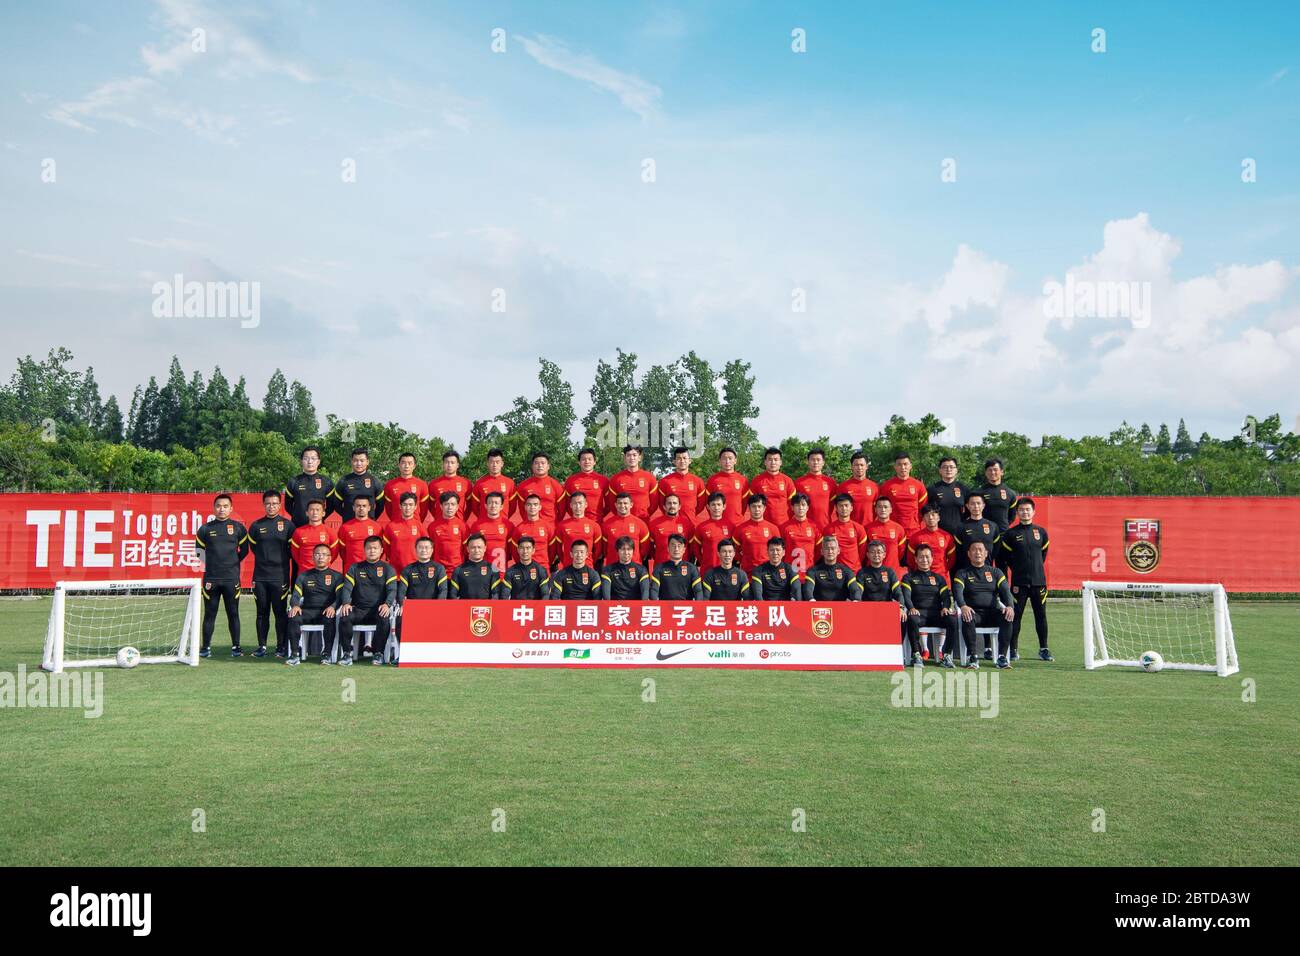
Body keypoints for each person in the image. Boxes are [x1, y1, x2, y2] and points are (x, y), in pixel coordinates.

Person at [998, 497, 1053, 662]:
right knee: (1015, 616)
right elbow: (1002, 560)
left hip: (1039, 583)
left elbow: (1042, 555)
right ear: (1017, 512)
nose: (1025, 512)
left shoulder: (1041, 532)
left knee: (1041, 616)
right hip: (1018, 584)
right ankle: (1013, 650)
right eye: (1021, 510)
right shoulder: (1010, 534)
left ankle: (1044, 649)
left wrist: (1033, 570)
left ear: (1033, 511)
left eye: (1028, 509)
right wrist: (1006, 582)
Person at [196, 493, 250, 658]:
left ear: (231, 508)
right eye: (219, 506)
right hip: (211, 579)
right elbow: (199, 552)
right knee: (209, 613)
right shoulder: (205, 529)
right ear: (214, 508)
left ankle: (236, 647)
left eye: (225, 506)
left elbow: (245, 551)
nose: (222, 509)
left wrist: (232, 563)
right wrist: (213, 564)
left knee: (233, 613)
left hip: (231, 579)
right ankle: (205, 648)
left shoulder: (238, 528)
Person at [951, 541, 1015, 669]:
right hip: (974, 613)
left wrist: (1009, 606)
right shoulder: (962, 573)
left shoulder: (996, 572)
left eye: (980, 550)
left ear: (986, 554)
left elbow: (1006, 592)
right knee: (967, 616)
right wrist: (963, 606)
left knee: (1007, 616)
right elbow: (958, 593)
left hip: (992, 612)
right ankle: (973, 657)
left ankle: (1002, 657)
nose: (977, 552)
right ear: (969, 554)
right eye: (974, 550)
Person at [247, 489, 295, 658]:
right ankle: (262, 646)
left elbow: (292, 551)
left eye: (274, 503)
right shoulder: (256, 526)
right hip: (260, 577)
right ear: (264, 505)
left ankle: (281, 646)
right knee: (261, 612)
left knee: (280, 612)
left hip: (280, 576)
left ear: (280, 505)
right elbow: (253, 548)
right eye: (268, 504)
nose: (271, 506)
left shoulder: (288, 525)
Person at [336, 536, 398, 666]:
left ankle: (378, 653)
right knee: (345, 615)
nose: (372, 551)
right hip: (359, 609)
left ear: (381, 550)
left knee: (384, 616)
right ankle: (347, 653)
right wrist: (346, 603)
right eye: (369, 548)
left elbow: (392, 590)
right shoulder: (355, 568)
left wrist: (387, 604)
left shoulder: (388, 569)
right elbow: (347, 588)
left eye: (375, 548)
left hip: (378, 610)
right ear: (364, 550)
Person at [285, 544, 341, 666]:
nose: (320, 557)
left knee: (330, 617)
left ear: (329, 558)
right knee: (293, 616)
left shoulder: (337, 576)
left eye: (324, 554)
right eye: (317, 554)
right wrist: (295, 605)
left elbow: (340, 597)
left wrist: (333, 606)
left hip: (326, 611)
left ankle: (326, 653)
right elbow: (295, 595)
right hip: (308, 610)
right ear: (313, 557)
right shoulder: (304, 576)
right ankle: (294, 654)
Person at [901, 544, 956, 668]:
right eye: (921, 557)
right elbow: (906, 596)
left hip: (936, 614)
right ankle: (916, 654)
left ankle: (946, 655)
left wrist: (946, 607)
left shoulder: (939, 578)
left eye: (927, 557)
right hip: (919, 613)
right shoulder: (908, 577)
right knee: (912, 618)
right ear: (915, 559)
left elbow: (946, 597)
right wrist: (911, 608)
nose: (924, 560)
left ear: (932, 559)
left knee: (952, 619)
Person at [857, 541, 909, 654]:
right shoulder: (862, 572)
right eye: (873, 552)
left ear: (884, 554)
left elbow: (898, 592)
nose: (876, 555)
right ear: (867, 555)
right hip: (867, 610)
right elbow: (858, 592)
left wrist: (900, 607)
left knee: (903, 618)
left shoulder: (889, 572)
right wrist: (857, 605)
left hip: (886, 610)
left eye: (879, 552)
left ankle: (897, 652)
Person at [284, 445, 335, 526]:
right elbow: (287, 506)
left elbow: (331, 506)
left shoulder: (327, 482)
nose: (310, 461)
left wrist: (318, 518)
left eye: (313, 458)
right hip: (297, 527)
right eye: (306, 458)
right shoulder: (293, 482)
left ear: (318, 462)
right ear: (301, 461)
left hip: (319, 527)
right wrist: (298, 517)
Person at [879, 451, 927, 535]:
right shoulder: (887, 486)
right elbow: (881, 508)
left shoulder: (919, 486)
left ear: (910, 466)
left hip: (914, 530)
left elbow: (923, 509)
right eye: (899, 464)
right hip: (893, 531)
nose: (903, 467)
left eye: (905, 464)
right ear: (895, 467)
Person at [605, 444, 656, 521]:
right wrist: (622, 516)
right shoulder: (616, 479)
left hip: (643, 521)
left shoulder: (649, 477)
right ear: (624, 458)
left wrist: (644, 515)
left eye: (634, 455)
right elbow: (612, 504)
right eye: (628, 455)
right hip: (622, 521)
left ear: (639, 457)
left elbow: (654, 504)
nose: (632, 458)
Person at [554, 492, 604, 571]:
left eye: (580, 503)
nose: (578, 507)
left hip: (588, 568)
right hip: (568, 568)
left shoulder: (594, 526)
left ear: (586, 504)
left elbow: (598, 549)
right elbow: (558, 549)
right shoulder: (562, 526)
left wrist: (590, 561)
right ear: (570, 505)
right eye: (575, 503)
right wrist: (565, 561)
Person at [905, 503, 956, 579]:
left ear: (938, 517)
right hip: (921, 578)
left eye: (933, 514)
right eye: (927, 515)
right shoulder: (915, 537)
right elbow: (910, 560)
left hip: (942, 577)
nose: (930, 518)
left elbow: (952, 559)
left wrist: (943, 570)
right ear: (923, 519)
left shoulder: (947, 537)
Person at [330, 447, 383, 519]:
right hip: (349, 525)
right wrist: (347, 516)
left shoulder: (375, 481)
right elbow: (336, 505)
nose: (358, 463)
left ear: (367, 462)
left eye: (362, 460)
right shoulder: (343, 481)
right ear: (351, 461)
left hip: (368, 526)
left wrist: (371, 518)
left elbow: (380, 506)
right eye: (355, 460)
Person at [749, 447, 796, 527]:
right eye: (770, 459)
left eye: (776, 459)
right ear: (765, 462)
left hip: (783, 525)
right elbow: (751, 504)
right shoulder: (757, 481)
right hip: (763, 525)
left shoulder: (787, 481)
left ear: (780, 462)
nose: (773, 462)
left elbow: (793, 505)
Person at [690, 492, 735, 574]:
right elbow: (696, 549)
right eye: (713, 505)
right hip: (708, 570)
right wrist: (704, 561)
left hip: (727, 571)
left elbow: (735, 548)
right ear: (708, 507)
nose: (716, 507)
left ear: (724, 506)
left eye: (719, 504)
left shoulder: (731, 526)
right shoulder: (701, 527)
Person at [381, 492, 425, 577]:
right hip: (396, 572)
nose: (407, 508)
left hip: (416, 571)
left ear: (415, 507)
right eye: (404, 504)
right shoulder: (391, 526)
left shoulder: (420, 526)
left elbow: (426, 547)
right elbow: (386, 548)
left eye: (410, 505)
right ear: (400, 506)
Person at [514, 452, 565, 524]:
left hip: (551, 528)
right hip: (531, 527)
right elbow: (522, 510)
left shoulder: (556, 485)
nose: (540, 465)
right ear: (532, 466)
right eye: (536, 463)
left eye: (543, 463)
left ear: (548, 466)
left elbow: (562, 510)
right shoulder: (523, 486)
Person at [601, 492, 651, 565]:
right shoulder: (606, 524)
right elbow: (604, 549)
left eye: (625, 503)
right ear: (615, 505)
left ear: (631, 505)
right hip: (612, 567)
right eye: (620, 503)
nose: (622, 506)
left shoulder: (640, 524)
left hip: (634, 566)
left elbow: (645, 549)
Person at [822, 493, 867, 573]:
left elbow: (862, 552)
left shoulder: (859, 528)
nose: (844, 508)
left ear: (851, 508)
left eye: (846, 505)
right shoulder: (828, 529)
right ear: (836, 508)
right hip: (834, 571)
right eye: (840, 506)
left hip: (854, 571)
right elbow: (825, 550)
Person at [734, 494, 781, 571]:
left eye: (759, 506)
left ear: (764, 508)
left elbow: (779, 550)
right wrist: (745, 561)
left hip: (769, 572)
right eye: (753, 506)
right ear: (749, 508)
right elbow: (735, 551)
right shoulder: (740, 529)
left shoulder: (773, 529)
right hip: (748, 573)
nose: (757, 509)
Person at [803, 536, 860, 601]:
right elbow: (808, 590)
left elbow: (855, 590)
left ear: (838, 551)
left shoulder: (846, 571)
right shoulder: (813, 571)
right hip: (820, 609)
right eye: (827, 548)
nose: (830, 551)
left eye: (833, 548)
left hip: (841, 609)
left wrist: (856, 600)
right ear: (822, 551)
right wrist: (811, 600)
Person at [467, 491, 512, 572]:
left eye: (496, 503)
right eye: (490, 503)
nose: (493, 505)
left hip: (501, 572)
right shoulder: (477, 525)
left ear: (501, 506)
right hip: (481, 571)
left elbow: (511, 549)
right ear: (485, 505)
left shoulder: (508, 525)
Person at [648, 493, 695, 569]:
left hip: (681, 567)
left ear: (679, 506)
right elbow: (650, 547)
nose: (672, 506)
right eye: (669, 503)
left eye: (674, 503)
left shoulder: (688, 524)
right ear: (664, 507)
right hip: (661, 567)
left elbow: (692, 548)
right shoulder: (654, 524)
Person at [953, 492, 999, 571]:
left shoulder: (993, 526)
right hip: (967, 571)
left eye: (978, 503)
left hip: (988, 570)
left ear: (983, 505)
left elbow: (996, 549)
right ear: (967, 506)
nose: (976, 506)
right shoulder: (961, 527)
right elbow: (959, 551)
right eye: (972, 504)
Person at [289, 498, 338, 572]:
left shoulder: (330, 531)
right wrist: (303, 565)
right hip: (304, 573)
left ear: (323, 513)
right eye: (311, 510)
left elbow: (334, 553)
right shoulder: (298, 532)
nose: (315, 512)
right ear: (307, 513)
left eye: (318, 510)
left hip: (324, 573)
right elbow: (295, 554)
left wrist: (324, 564)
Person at [926, 456, 971, 536]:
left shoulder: (963, 489)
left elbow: (970, 510)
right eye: (945, 467)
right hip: (937, 533)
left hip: (959, 533)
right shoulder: (932, 489)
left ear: (956, 470)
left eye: (951, 467)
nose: (948, 469)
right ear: (940, 470)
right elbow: (927, 511)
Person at [648, 535, 703, 600]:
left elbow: (698, 591)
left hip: (686, 608)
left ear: (684, 550)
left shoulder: (692, 568)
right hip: (665, 607)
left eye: (679, 546)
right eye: (673, 545)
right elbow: (654, 590)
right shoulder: (659, 568)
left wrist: (698, 607)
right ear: (668, 548)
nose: (676, 549)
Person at [657, 446, 706, 518]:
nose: (682, 461)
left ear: (690, 461)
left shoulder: (698, 481)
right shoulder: (665, 481)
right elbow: (662, 505)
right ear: (674, 461)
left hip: (690, 523)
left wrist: (690, 515)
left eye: (684, 458)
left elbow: (701, 505)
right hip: (671, 523)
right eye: (679, 458)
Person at [795, 447, 838, 528]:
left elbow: (835, 506)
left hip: (826, 526)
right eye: (812, 460)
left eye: (818, 460)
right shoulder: (799, 483)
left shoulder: (830, 482)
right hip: (805, 526)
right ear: (807, 462)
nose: (815, 462)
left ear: (823, 462)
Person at [397, 537, 449, 603]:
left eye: (427, 547)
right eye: (420, 547)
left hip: (433, 607)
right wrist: (402, 604)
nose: (424, 550)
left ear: (432, 550)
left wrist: (438, 606)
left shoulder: (439, 568)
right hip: (413, 608)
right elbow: (401, 591)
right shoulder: (408, 569)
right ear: (415, 549)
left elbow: (443, 590)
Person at [426, 491, 469, 572]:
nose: (450, 507)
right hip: (438, 570)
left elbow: (466, 550)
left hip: (457, 569)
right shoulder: (433, 526)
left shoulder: (463, 526)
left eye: (453, 504)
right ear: (441, 506)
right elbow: (430, 549)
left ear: (457, 507)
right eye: (446, 504)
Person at [706, 447, 750, 525]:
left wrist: (737, 517)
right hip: (718, 524)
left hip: (737, 524)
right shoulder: (713, 480)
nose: (727, 461)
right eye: (724, 459)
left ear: (735, 461)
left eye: (730, 458)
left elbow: (744, 503)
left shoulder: (743, 480)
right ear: (720, 461)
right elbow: (708, 503)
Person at [564, 448, 610, 523]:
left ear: (594, 462)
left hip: (597, 522)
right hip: (577, 522)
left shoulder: (603, 480)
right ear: (579, 462)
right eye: (583, 459)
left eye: (589, 459)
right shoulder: (571, 481)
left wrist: (599, 516)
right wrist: (577, 515)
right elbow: (567, 504)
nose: (587, 462)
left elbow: (609, 505)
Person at [780, 493, 820, 578]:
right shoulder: (784, 527)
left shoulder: (814, 526)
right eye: (797, 505)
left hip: (809, 573)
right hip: (790, 573)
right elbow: (780, 550)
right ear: (792, 507)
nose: (800, 508)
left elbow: (819, 550)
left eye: (803, 505)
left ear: (808, 507)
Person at [337, 496, 382, 570]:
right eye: (358, 506)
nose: (361, 508)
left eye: (364, 506)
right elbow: (342, 551)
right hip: (352, 570)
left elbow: (381, 549)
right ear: (353, 508)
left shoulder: (377, 527)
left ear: (369, 508)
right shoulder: (345, 527)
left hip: (372, 569)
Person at [864, 496, 906, 574]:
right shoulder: (867, 528)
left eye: (885, 507)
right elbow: (864, 550)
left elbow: (901, 552)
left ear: (890, 510)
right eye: (879, 507)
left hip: (893, 571)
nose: (883, 510)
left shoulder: (899, 528)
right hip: (873, 570)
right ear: (875, 510)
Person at [511, 493, 555, 568]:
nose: (532, 507)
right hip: (524, 569)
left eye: (535, 504)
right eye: (529, 505)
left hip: (543, 568)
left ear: (540, 507)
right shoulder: (519, 528)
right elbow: (515, 552)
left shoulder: (547, 527)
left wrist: (544, 563)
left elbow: (553, 550)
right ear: (525, 507)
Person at [977, 457, 1019, 534]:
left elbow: (1012, 516)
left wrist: (1002, 526)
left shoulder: (1010, 493)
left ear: (1002, 472)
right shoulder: (978, 493)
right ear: (985, 473)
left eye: (995, 470)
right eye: (989, 470)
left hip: (1003, 534)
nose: (992, 472)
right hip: (984, 534)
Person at [471, 448, 515, 521]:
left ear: (502, 464)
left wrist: (504, 518)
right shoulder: (479, 483)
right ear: (487, 464)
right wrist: (483, 518)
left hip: (503, 524)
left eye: (497, 462)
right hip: (484, 524)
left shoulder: (510, 483)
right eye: (492, 462)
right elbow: (475, 507)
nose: (494, 465)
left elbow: (512, 507)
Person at [383, 451, 428, 522]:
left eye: (410, 463)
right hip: (396, 525)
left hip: (415, 525)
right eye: (403, 463)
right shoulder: (390, 485)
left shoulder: (422, 484)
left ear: (414, 466)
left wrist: (417, 522)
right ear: (399, 465)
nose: (406, 466)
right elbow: (388, 509)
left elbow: (424, 509)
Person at [428, 449, 472, 521]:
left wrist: (462, 519)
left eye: (452, 462)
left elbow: (470, 505)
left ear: (457, 465)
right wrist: (437, 517)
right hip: (440, 525)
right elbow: (430, 505)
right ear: (443, 464)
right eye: (447, 462)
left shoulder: (466, 483)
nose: (449, 465)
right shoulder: (434, 484)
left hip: (459, 525)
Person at [450, 533, 497, 599]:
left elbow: (496, 594)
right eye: (473, 547)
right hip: (464, 608)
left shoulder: (493, 568)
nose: (476, 550)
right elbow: (453, 594)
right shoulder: (459, 569)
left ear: (485, 548)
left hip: (484, 608)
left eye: (479, 547)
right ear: (467, 549)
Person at [837, 451, 879, 525]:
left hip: (869, 529)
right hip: (849, 529)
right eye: (856, 465)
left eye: (862, 465)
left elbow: (878, 509)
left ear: (866, 466)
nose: (859, 468)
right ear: (851, 467)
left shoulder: (874, 487)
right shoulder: (843, 487)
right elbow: (838, 510)